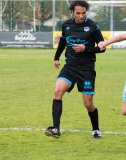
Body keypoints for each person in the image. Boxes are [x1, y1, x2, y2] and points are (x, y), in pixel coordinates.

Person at [45, 0, 105, 139]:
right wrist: (56, 57)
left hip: (86, 69)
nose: (81, 16)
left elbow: (102, 48)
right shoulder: (66, 25)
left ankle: (96, 129)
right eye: (78, 13)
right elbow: (63, 41)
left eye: (83, 13)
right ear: (72, 12)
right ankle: (56, 129)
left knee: (88, 103)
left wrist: (86, 49)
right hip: (70, 66)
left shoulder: (92, 26)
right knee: (58, 90)